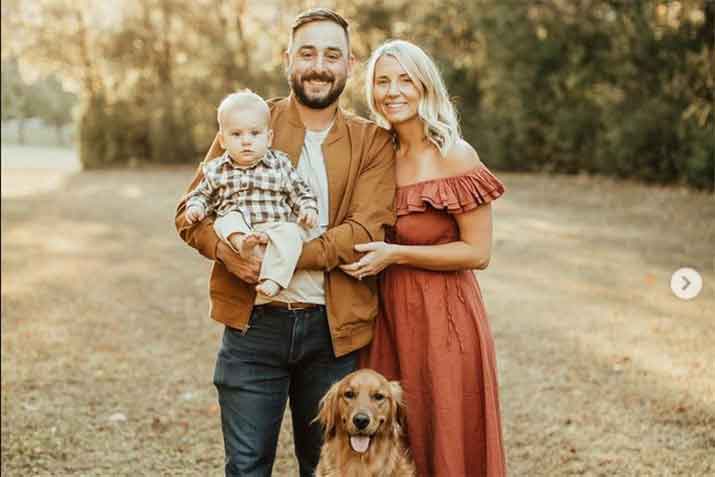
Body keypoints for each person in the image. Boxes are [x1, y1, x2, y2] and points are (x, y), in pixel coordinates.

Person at [174, 8, 395, 477]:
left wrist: (281, 258)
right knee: (248, 464)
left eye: (332, 55)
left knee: (327, 466)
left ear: (349, 65)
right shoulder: (249, 122)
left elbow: (363, 233)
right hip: (254, 327)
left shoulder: (372, 142)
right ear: (287, 59)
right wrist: (232, 256)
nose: (319, 65)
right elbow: (190, 215)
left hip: (333, 335)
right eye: (308, 53)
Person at [341, 39, 508, 477]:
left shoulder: (454, 154)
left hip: (445, 318)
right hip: (387, 318)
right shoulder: (377, 153)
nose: (392, 91)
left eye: (404, 80)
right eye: (382, 81)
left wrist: (395, 253)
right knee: (391, 438)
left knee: (446, 431)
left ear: (424, 86)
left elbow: (478, 252)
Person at [184, 90, 319, 298]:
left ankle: (274, 280)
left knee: (293, 234)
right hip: (238, 228)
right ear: (222, 140)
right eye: (236, 134)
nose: (246, 141)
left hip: (273, 228)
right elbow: (202, 194)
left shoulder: (279, 164)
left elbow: (299, 191)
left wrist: (307, 208)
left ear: (269, 137)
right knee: (227, 218)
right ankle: (242, 244)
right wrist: (196, 207)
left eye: (255, 134)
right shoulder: (217, 169)